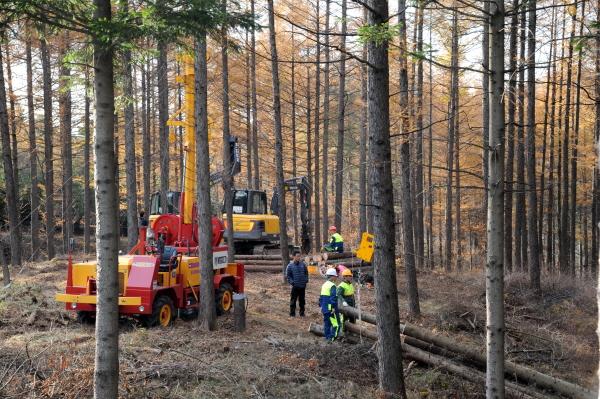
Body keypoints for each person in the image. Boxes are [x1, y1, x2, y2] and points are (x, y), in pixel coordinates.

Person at [286, 250, 308, 317]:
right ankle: (292, 314)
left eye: (299, 256)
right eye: (297, 256)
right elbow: (288, 276)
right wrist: (293, 283)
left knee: (302, 301)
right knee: (293, 301)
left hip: (302, 286)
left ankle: (302, 313)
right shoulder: (290, 266)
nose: (299, 257)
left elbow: (306, 273)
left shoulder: (303, 265)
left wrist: (305, 281)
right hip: (294, 287)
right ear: (293, 257)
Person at [320, 268, 340, 342]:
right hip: (331, 309)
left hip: (325, 308)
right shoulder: (332, 285)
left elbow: (321, 297)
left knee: (327, 324)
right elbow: (333, 297)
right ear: (331, 276)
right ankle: (331, 339)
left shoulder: (324, 285)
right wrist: (334, 307)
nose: (336, 277)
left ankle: (327, 338)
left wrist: (321, 306)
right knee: (336, 325)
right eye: (335, 276)